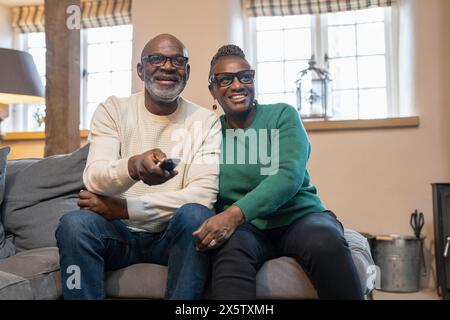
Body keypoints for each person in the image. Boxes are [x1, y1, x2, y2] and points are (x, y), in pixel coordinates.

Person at [55, 34, 222, 300]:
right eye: (156, 59)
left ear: (187, 72)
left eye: (177, 61)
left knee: (195, 215)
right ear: (140, 69)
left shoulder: (206, 122)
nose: (167, 66)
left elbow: (203, 196)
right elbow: (95, 178)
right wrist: (133, 167)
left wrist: (124, 208)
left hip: (172, 235)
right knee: (74, 225)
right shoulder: (112, 110)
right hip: (118, 234)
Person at [193, 44, 364, 300]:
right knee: (230, 253)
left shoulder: (282, 115)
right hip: (248, 229)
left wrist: (232, 215)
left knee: (324, 241)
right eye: (225, 79)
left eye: (245, 76)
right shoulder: (210, 132)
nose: (237, 85)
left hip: (299, 217)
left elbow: (288, 176)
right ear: (213, 90)